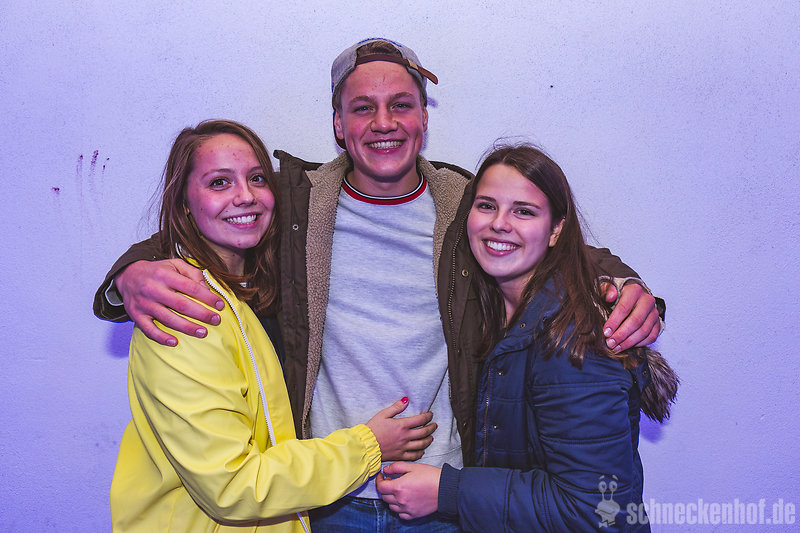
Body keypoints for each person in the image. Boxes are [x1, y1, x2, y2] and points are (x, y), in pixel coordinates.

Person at [95, 39, 664, 532]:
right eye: (362, 107)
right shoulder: (295, 207)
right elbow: (206, 223)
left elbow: (551, 240)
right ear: (338, 125)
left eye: (401, 105)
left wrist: (626, 283)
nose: (383, 123)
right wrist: (131, 274)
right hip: (326, 500)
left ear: (424, 119)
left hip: (443, 495)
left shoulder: (465, 205)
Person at [110, 119, 438, 533]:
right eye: (219, 183)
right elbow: (233, 487)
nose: (245, 196)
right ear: (184, 203)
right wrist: (368, 445)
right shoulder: (185, 313)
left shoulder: (257, 287)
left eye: (257, 178)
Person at [375, 144, 678, 532]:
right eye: (487, 206)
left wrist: (447, 491)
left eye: (524, 211)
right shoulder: (503, 310)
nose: (500, 223)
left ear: (556, 230)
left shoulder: (574, 338)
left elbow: (597, 511)